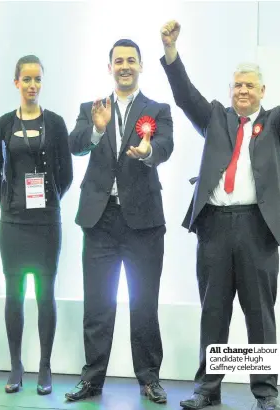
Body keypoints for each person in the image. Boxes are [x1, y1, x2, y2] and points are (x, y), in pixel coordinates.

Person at [160, 20, 280, 410]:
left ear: (263, 92)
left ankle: (265, 392)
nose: (242, 91)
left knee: (260, 315)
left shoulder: (273, 124)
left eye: (250, 85)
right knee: (214, 312)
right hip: (214, 226)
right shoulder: (216, 117)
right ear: (230, 91)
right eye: (237, 85)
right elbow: (184, 95)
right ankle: (208, 390)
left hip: (257, 228)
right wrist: (172, 51)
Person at [65, 39, 173, 403]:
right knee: (97, 305)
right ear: (108, 67)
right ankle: (92, 379)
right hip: (100, 221)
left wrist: (148, 152)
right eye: (118, 61)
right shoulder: (91, 107)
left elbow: (166, 147)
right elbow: (75, 144)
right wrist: (96, 130)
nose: (124, 66)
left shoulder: (157, 110)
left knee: (144, 304)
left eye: (131, 60)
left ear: (141, 66)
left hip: (143, 223)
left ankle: (149, 378)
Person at [0, 55, 73, 395]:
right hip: (12, 224)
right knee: (14, 296)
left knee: (45, 295)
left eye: (37, 79)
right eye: (26, 79)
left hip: (47, 223)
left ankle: (44, 366)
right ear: (16, 83)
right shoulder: (4, 124)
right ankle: (15, 365)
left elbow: (65, 175)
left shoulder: (55, 123)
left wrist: (48, 201)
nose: (32, 85)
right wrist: (10, 202)